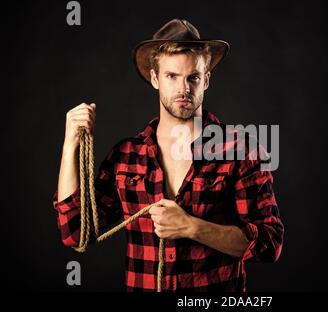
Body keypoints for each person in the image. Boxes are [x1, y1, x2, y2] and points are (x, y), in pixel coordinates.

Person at [52, 18, 284, 292]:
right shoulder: (126, 156)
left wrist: (191, 227)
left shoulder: (241, 150)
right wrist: (70, 146)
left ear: (206, 80)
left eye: (193, 77)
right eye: (172, 76)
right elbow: (75, 233)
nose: (183, 89)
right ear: (155, 79)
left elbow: (270, 244)